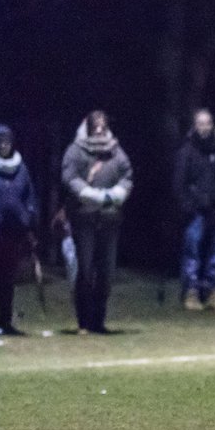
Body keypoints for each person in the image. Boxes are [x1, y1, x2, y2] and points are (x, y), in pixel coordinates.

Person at [61, 110, 132, 334]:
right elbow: (69, 177)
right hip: (84, 219)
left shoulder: (115, 150)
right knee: (85, 269)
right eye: (96, 126)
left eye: (103, 126)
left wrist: (117, 194)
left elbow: (127, 174)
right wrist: (90, 195)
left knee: (106, 272)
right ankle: (84, 321)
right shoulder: (76, 150)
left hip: (110, 219)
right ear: (89, 127)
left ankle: (98, 320)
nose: (100, 130)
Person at [172, 108, 215, 311]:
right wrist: (190, 206)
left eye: (207, 123)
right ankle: (191, 292)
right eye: (200, 123)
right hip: (195, 213)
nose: (204, 127)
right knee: (192, 252)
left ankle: (212, 292)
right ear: (195, 126)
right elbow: (179, 184)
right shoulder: (186, 152)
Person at [0, 124, 37, 336]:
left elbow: (29, 195)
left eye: (7, 141)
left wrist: (28, 216)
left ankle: (5, 322)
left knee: (7, 278)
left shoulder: (20, 167)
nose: (4, 145)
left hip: (12, 231)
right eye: (0, 141)